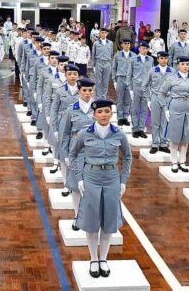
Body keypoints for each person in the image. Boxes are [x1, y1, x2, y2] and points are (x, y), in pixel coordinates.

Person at [69, 99, 132, 279]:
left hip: (112, 178)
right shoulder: (84, 134)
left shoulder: (119, 134)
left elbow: (127, 157)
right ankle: (93, 259)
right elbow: (72, 155)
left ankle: (103, 259)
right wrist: (79, 178)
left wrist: (123, 181)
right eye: (100, 112)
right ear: (94, 114)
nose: (104, 115)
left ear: (111, 113)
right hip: (91, 178)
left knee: (109, 220)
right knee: (91, 220)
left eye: (107, 111)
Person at [58, 78, 96, 214]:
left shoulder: (98, 109)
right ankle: (77, 215)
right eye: (84, 90)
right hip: (77, 152)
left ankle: (89, 215)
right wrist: (66, 155)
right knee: (75, 186)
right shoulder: (71, 110)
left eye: (90, 90)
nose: (87, 93)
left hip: (94, 153)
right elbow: (65, 134)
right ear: (79, 91)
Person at [159, 56, 189, 173]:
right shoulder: (171, 78)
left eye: (187, 64)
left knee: (186, 137)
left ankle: (182, 161)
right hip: (175, 108)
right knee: (175, 136)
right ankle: (174, 161)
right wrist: (165, 108)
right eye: (183, 64)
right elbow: (161, 93)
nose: (185, 66)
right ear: (177, 65)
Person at [148, 51, 173, 154]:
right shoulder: (152, 71)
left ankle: (163, 143)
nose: (164, 60)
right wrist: (148, 99)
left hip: (167, 98)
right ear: (157, 59)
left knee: (165, 122)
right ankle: (155, 143)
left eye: (166, 58)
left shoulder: (172, 71)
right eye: (161, 58)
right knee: (155, 122)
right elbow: (145, 85)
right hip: (156, 97)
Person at [129, 42, 153, 139]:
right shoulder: (133, 59)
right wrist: (130, 89)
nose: (145, 50)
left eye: (146, 48)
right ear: (139, 49)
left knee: (144, 109)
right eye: (143, 48)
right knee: (134, 109)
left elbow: (151, 75)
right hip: (136, 86)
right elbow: (129, 75)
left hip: (146, 87)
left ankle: (141, 129)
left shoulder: (150, 60)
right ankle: (135, 129)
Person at [111, 39, 134, 126]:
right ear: (122, 45)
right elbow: (114, 68)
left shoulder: (134, 56)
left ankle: (125, 117)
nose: (127, 45)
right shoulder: (117, 55)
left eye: (128, 43)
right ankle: (120, 117)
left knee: (128, 99)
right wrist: (114, 80)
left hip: (130, 79)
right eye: (125, 43)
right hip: (120, 78)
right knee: (119, 99)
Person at [92, 29, 113, 100]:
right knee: (98, 81)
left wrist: (111, 65)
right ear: (100, 34)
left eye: (105, 33)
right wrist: (93, 65)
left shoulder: (110, 43)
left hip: (107, 63)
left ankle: (103, 97)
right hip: (99, 62)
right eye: (102, 33)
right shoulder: (96, 43)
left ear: (107, 34)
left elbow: (111, 55)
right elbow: (93, 55)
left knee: (106, 81)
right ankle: (98, 97)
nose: (104, 34)